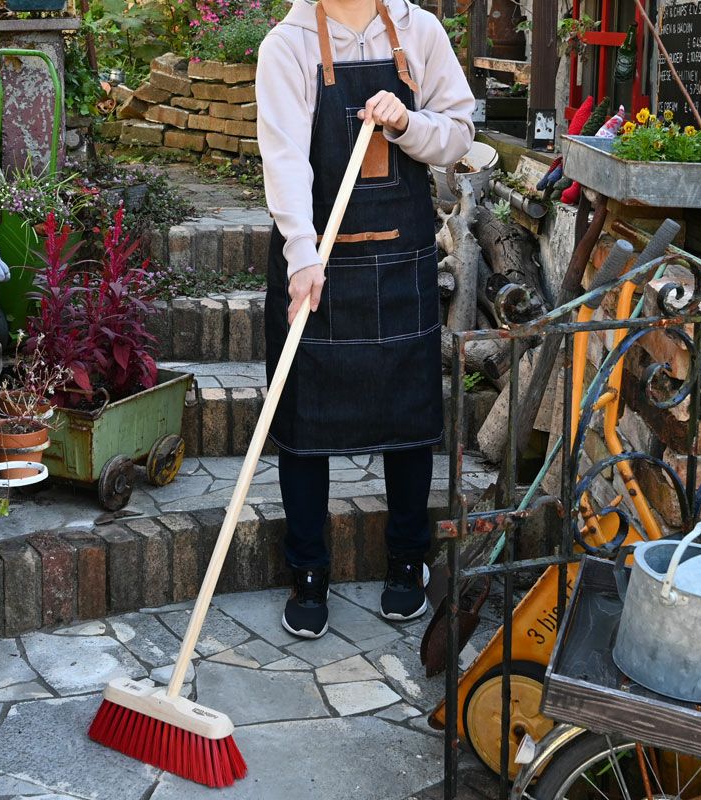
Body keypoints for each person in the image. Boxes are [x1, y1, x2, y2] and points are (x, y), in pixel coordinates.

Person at [256, 0, 475, 639]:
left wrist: (407, 122)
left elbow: (458, 133)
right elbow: (285, 158)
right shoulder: (287, 45)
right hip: (317, 263)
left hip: (400, 257)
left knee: (408, 417)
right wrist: (302, 254)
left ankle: (408, 562)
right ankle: (307, 570)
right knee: (304, 419)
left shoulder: (419, 31)